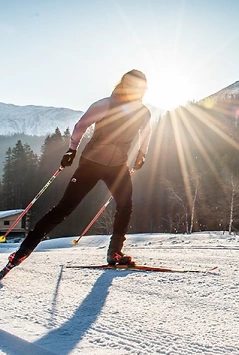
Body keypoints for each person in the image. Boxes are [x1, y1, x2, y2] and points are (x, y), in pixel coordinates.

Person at [8, 69, 152, 267]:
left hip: (118, 166)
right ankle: (24, 250)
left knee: (125, 205)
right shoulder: (105, 104)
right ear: (123, 84)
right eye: (131, 84)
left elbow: (146, 132)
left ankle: (115, 252)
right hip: (91, 164)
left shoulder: (143, 112)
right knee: (64, 208)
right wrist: (72, 150)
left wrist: (142, 153)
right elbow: (81, 125)